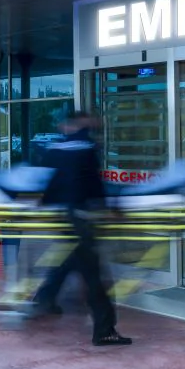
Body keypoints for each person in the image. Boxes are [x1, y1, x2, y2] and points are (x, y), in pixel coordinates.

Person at [30, 111, 132, 346]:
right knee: (94, 276)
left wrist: (42, 204)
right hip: (79, 218)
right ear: (80, 124)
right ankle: (104, 330)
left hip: (64, 217)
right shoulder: (86, 147)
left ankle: (44, 298)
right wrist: (111, 209)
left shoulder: (56, 148)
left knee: (71, 261)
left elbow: (49, 182)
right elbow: (94, 184)